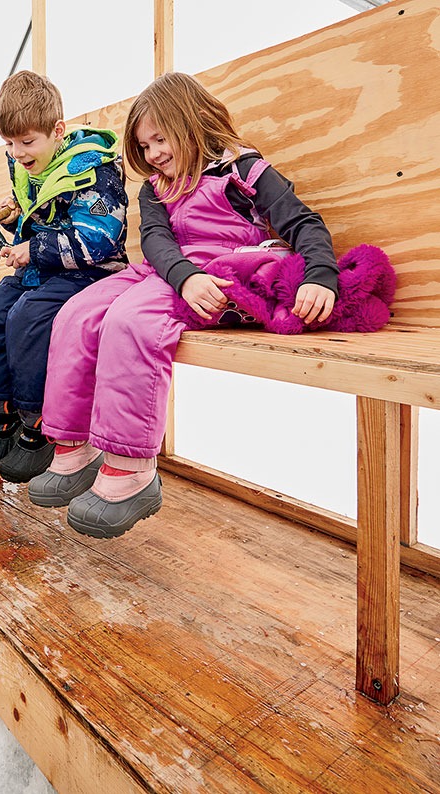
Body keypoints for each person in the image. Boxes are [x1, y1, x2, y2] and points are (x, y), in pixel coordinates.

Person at [29, 72, 338, 538]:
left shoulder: (244, 170)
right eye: (144, 145)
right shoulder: (155, 187)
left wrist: (321, 276)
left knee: (130, 321)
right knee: (77, 312)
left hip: (221, 272)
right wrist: (183, 275)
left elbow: (301, 221)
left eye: (159, 139)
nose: (152, 154)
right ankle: (75, 445)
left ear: (192, 122)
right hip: (171, 271)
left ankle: (131, 469)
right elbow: (155, 239)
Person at [0, 70, 129, 483]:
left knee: (28, 316)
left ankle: (39, 423)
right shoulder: (24, 163)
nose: (18, 152)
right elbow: (34, 206)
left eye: (27, 142)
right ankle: (3, 416)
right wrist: (16, 232)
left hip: (92, 271)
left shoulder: (94, 168)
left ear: (57, 131)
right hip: (42, 267)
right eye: (9, 143)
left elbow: (100, 239)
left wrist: (32, 249)